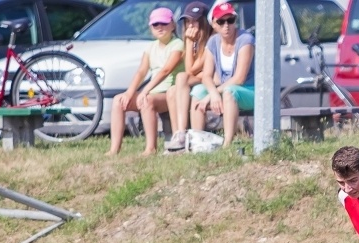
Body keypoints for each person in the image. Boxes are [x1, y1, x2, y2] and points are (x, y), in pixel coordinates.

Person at [107, 7, 184, 155]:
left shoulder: (178, 44)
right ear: (151, 28)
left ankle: (151, 148)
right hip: (152, 92)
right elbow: (141, 72)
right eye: (155, 24)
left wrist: (145, 91)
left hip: (170, 93)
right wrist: (129, 93)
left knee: (147, 101)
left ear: (173, 25)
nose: (160, 27)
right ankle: (114, 149)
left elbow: (166, 70)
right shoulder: (150, 47)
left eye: (164, 23)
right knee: (118, 100)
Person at [190, 2, 255, 149]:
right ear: (214, 24)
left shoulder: (246, 40)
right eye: (221, 21)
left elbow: (239, 78)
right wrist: (212, 94)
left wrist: (212, 95)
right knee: (197, 92)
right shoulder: (213, 42)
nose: (226, 25)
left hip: (250, 90)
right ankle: (197, 142)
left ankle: (227, 143)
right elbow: (206, 76)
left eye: (230, 20)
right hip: (225, 89)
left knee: (229, 92)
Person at [166, 1, 213, 151]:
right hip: (199, 78)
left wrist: (188, 40)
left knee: (181, 77)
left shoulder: (212, 39)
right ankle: (177, 137)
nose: (190, 25)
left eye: (195, 20)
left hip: (212, 79)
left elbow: (190, 70)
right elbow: (191, 71)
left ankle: (182, 133)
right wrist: (190, 42)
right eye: (188, 21)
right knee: (171, 91)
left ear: (204, 21)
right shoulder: (195, 39)